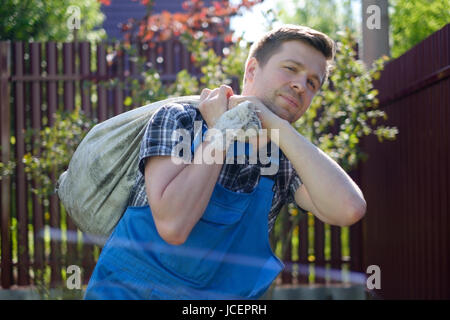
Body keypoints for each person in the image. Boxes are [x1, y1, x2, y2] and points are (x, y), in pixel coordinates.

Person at [84, 24, 367, 300]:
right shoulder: (182, 119)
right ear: (252, 69)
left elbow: (348, 209)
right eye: (291, 69)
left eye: (312, 82)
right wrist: (223, 130)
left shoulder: (284, 157)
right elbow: (173, 226)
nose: (300, 85)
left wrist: (276, 125)